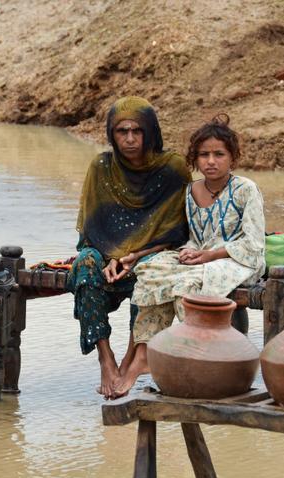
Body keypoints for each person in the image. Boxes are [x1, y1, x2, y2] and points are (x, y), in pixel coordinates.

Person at [126, 114, 266, 395]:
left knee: (188, 285)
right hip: (203, 257)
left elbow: (254, 243)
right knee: (149, 269)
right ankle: (147, 353)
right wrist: (191, 251)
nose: (210, 161)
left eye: (219, 154)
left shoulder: (245, 190)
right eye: (203, 155)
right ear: (195, 159)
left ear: (232, 158)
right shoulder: (190, 191)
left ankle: (203, 354)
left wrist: (210, 256)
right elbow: (195, 236)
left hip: (239, 260)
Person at [67, 96, 192, 399]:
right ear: (112, 134)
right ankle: (105, 357)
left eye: (138, 131)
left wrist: (135, 256)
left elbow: (178, 232)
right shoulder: (101, 167)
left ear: (151, 132)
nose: (130, 139)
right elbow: (92, 231)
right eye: (122, 131)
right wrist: (110, 258)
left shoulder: (172, 168)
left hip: (152, 255)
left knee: (152, 272)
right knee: (85, 263)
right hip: (110, 256)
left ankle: (133, 356)